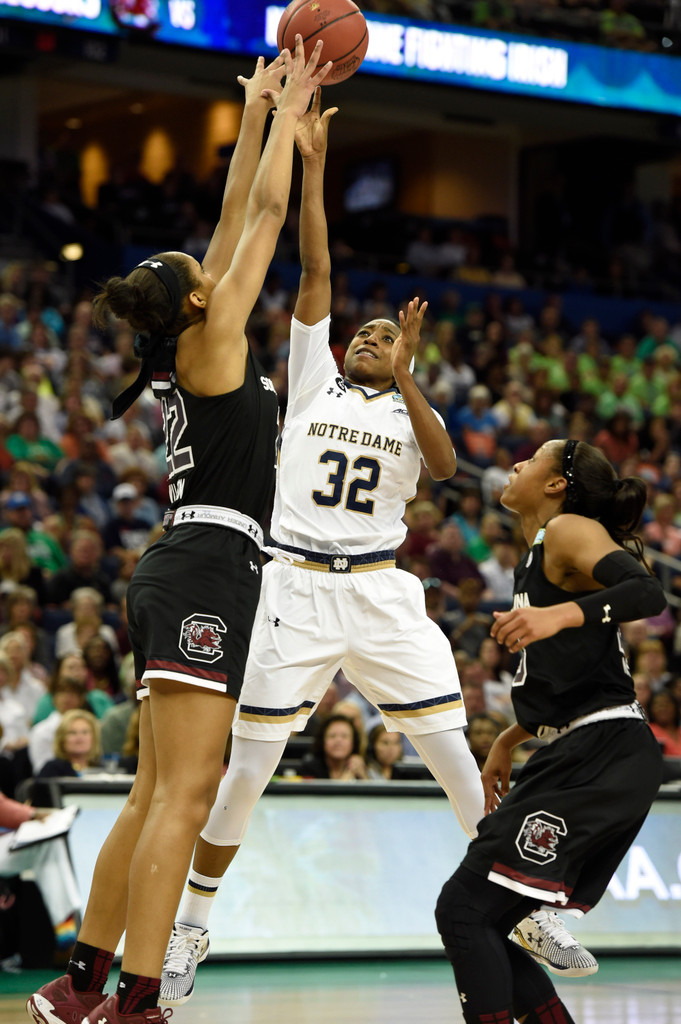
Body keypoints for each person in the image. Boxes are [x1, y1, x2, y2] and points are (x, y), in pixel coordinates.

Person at [159, 92, 573, 1010]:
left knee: (455, 755)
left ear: (405, 359)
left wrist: (415, 379)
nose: (371, 337)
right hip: (295, 585)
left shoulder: (408, 409)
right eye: (365, 333)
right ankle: (193, 921)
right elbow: (314, 265)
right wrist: (312, 162)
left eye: (389, 337)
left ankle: (519, 904)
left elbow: (448, 464)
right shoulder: (310, 382)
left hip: (383, 592)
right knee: (247, 771)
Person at [27, 40, 330, 1024]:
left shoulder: (193, 332)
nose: (215, 255)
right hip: (207, 564)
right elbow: (269, 215)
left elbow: (237, 211)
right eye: (201, 266)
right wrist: (294, 110)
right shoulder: (209, 334)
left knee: (152, 795)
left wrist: (255, 111)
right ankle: (137, 999)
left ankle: (80, 986)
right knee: (185, 799)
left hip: (184, 558)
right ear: (197, 297)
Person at [434, 438, 666, 1023]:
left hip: (602, 750)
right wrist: (507, 741)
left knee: (464, 908)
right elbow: (570, 676)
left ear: (557, 482)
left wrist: (556, 614)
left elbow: (647, 592)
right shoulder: (540, 552)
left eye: (532, 457)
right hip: (587, 749)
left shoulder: (568, 530)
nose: (515, 464)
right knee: (479, 916)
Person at [299, 714, 367, 779]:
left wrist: (363, 776)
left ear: (353, 741)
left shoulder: (361, 765)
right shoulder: (309, 768)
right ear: (322, 740)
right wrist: (348, 775)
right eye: (332, 736)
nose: (338, 740)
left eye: (344, 736)